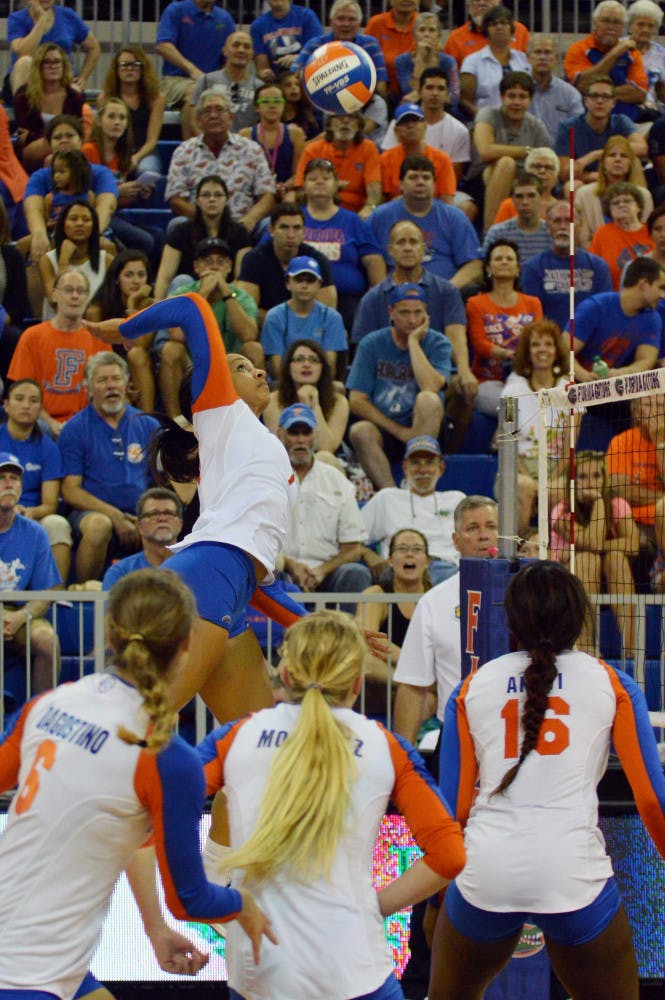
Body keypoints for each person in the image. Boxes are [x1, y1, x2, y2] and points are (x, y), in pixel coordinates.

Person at [0, 567, 276, 1000]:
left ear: (109, 635)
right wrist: (244, 905)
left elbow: (125, 828)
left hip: (34, 950)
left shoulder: (48, 704)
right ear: (187, 645)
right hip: (27, 974)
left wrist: (154, 929)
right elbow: (190, 899)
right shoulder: (166, 758)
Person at [199, 609, 466, 1000]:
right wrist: (376, 906)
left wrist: (194, 897)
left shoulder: (235, 737)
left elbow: (155, 808)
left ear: (285, 676)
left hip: (262, 969)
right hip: (354, 963)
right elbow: (450, 855)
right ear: (357, 684)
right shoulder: (385, 747)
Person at [428, 560, 665, 1000]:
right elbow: (652, 801)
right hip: (571, 869)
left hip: (486, 868)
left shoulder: (472, 686)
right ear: (578, 617)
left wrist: (435, 898)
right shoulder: (613, 682)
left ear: (512, 620)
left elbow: (453, 809)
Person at [83, 292, 302, 726]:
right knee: (139, 728)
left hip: (228, 584)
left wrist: (319, 625)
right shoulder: (221, 411)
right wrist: (123, 330)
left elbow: (255, 578)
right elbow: (192, 307)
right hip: (206, 576)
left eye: (253, 365)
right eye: (240, 367)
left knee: (256, 748)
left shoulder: (252, 448)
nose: (258, 369)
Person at [393, 495, 499, 745]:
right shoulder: (433, 602)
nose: (484, 536)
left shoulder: (527, 594)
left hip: (514, 734)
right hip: (456, 737)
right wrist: (403, 760)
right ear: (455, 540)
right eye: (472, 528)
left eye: (491, 527)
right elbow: (412, 685)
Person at [351, 219, 476, 422]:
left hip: (433, 370)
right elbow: (363, 351)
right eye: (401, 242)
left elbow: (456, 334)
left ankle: (445, 451)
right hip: (387, 376)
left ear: (423, 249)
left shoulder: (446, 291)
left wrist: (464, 370)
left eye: (413, 242)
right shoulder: (373, 298)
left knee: (464, 387)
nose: (407, 248)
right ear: (390, 250)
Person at [59, 351, 160, 583]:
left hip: (141, 512)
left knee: (167, 519)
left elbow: (163, 483)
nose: (111, 386)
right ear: (89, 388)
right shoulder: (75, 429)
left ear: (126, 384)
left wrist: (146, 514)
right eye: (102, 380)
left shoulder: (148, 424)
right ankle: (85, 597)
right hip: (92, 512)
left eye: (116, 379)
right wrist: (114, 515)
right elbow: (70, 490)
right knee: (98, 526)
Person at [346, 283, 452, 490]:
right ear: (391, 313)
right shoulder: (372, 343)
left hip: (427, 429)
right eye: (404, 312)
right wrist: (400, 432)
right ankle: (391, 493)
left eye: (417, 312)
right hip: (387, 429)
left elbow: (431, 386)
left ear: (426, 314)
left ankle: (418, 486)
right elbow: (357, 400)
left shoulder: (438, 343)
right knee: (360, 431)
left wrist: (413, 342)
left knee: (428, 399)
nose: (412, 319)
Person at [277, 402, 373, 609]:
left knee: (356, 574)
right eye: (294, 433)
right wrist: (289, 564)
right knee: (263, 570)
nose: (301, 440)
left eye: (307, 432)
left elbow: (353, 549)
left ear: (316, 435)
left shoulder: (337, 480)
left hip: (327, 575)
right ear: (280, 435)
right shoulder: (266, 478)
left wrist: (321, 570)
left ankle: (347, 640)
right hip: (281, 571)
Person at [160, 237, 261, 418]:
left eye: (220, 262)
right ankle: (177, 423)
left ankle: (250, 418)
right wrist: (203, 294)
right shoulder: (181, 294)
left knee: (254, 349)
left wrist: (227, 295)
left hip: (231, 364)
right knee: (170, 349)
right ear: (197, 267)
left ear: (229, 267)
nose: (214, 268)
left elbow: (249, 335)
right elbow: (177, 334)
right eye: (208, 262)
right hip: (192, 365)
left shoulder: (242, 297)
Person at [551, 450, 638, 659]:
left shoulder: (617, 504)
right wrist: (599, 502)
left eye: (596, 476)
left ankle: (632, 650)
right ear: (573, 481)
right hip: (566, 584)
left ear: (604, 478)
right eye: (582, 477)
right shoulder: (562, 511)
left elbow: (633, 545)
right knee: (586, 559)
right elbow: (593, 544)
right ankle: (585, 648)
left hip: (610, 579)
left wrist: (602, 546)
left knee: (616, 558)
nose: (590, 482)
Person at [7, 267, 106, 438]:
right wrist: (52, 424)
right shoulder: (32, 337)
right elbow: (23, 395)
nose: (75, 296)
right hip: (41, 422)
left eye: (81, 291)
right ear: (54, 295)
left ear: (87, 297)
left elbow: (103, 392)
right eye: (68, 290)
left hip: (86, 424)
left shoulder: (98, 338)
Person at [164, 90, 275, 236]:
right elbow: (176, 200)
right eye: (207, 111)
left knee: (269, 225)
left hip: (243, 226)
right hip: (199, 225)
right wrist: (208, 220)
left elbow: (267, 195)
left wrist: (251, 219)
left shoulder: (251, 149)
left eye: (219, 109)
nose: (213, 115)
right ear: (199, 120)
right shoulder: (183, 152)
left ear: (231, 117)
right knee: (176, 225)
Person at [361, 435, 465, 586]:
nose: (422, 470)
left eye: (429, 463)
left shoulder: (457, 499)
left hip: (446, 569)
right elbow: (352, 538)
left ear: (441, 468)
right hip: (400, 569)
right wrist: (368, 554)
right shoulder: (387, 498)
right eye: (415, 463)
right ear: (405, 467)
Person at [0, 450, 60, 702]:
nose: (9, 483)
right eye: (2, 477)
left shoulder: (35, 533)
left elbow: (46, 593)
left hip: (21, 611)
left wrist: (19, 616)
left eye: (15, 478)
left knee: (46, 640)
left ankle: (41, 717)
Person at [500, 319, 570, 535]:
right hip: (517, 466)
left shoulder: (568, 389)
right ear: (527, 351)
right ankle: (516, 551)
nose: (542, 350)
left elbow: (569, 447)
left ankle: (555, 554)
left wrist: (550, 480)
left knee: (557, 489)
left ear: (556, 350)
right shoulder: (512, 391)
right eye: (536, 344)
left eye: (548, 344)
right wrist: (531, 479)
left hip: (556, 467)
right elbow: (507, 445)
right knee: (524, 486)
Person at [300, 157, 386, 332]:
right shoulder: (293, 219)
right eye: (313, 178)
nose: (319, 182)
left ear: (336, 185)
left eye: (326, 178)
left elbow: (373, 260)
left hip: (348, 299)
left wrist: (379, 298)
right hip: (298, 296)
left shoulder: (353, 221)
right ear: (304, 186)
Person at [369, 156, 482, 286]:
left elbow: (474, 264)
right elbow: (367, 258)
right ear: (400, 184)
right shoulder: (380, 217)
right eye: (413, 177)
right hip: (395, 294)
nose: (420, 182)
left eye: (426, 177)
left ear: (434, 185)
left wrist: (449, 290)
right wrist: (384, 292)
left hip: (445, 293)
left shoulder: (454, 217)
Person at [0, 379, 72, 580]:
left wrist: (29, 512)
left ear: (40, 408)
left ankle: (56, 598)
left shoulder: (48, 448)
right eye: (19, 399)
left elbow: (50, 504)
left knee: (57, 524)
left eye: (33, 401)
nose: (26, 405)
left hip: (32, 514)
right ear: (6, 405)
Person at [23, 114, 118, 264]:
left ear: (81, 140)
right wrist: (39, 233)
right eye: (57, 137)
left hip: (92, 228)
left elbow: (107, 206)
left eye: (70, 135)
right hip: (53, 231)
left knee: (110, 246)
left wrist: (89, 234)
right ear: (49, 143)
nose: (64, 140)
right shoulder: (40, 176)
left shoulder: (100, 173)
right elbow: (32, 208)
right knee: (25, 246)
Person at [81, 97, 164, 269]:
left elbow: (118, 202)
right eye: (111, 117)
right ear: (99, 120)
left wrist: (138, 193)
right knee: (145, 240)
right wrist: (119, 191)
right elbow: (85, 197)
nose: (117, 122)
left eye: (122, 118)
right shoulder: (88, 151)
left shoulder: (122, 154)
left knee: (159, 236)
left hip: (116, 215)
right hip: (95, 216)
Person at [466, 239, 543, 418]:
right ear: (488, 268)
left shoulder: (533, 303)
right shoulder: (475, 303)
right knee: (515, 407)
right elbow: (479, 343)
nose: (504, 262)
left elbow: (538, 340)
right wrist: (507, 354)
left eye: (509, 258)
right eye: (498, 258)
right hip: (488, 381)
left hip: (527, 378)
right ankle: (506, 445)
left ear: (518, 269)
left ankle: (500, 440)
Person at [471, 71, 552, 232]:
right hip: (483, 179)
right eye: (511, 96)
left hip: (524, 181)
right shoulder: (489, 115)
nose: (516, 102)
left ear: (530, 100)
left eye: (522, 97)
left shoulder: (536, 126)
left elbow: (544, 158)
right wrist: (527, 150)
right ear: (502, 97)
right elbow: (485, 150)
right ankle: (490, 234)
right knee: (506, 163)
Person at [565, 256, 664, 383]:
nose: (662, 295)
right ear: (644, 284)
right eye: (661, 288)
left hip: (618, 391)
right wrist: (584, 376)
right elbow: (564, 350)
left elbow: (646, 360)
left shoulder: (652, 318)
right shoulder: (595, 307)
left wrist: (621, 373)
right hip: (578, 386)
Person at [154, 174, 252, 301]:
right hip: (191, 293)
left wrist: (224, 288)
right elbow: (164, 277)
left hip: (225, 293)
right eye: (206, 195)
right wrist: (156, 306)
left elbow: (241, 279)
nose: (212, 199)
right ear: (198, 201)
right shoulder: (181, 231)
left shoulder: (240, 233)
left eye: (218, 195)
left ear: (226, 200)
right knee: (182, 280)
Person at [236, 204, 336, 325]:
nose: (291, 234)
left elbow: (327, 311)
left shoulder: (317, 260)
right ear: (271, 230)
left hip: (309, 330)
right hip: (267, 329)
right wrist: (287, 322)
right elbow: (248, 311)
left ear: (304, 231)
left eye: (296, 228)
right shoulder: (254, 259)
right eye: (284, 227)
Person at [521, 201, 613, 332]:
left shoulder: (598, 266)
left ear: (579, 225)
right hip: (550, 343)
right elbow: (532, 317)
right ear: (548, 227)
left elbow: (605, 311)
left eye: (569, 220)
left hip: (590, 340)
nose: (563, 227)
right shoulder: (532, 268)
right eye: (557, 221)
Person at [356, 528, 431, 687]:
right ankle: (411, 685)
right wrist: (411, 664)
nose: (409, 554)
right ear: (390, 560)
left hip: (426, 678)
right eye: (402, 549)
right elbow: (369, 638)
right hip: (385, 680)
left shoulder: (437, 598)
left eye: (417, 549)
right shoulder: (376, 594)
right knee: (363, 659)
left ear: (427, 561)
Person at [86, 248, 156, 413]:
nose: (136, 281)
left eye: (141, 275)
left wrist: (133, 306)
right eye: (129, 275)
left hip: (143, 369)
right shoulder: (96, 311)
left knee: (136, 354)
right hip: (108, 370)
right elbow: (95, 354)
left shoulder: (150, 306)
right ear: (117, 279)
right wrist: (122, 379)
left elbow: (140, 344)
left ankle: (149, 421)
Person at [607, 394, 665, 589]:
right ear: (638, 413)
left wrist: (659, 443)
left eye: (660, 404)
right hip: (635, 523)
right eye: (649, 404)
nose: (656, 410)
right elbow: (621, 491)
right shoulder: (621, 442)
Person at [155, 0, 236, 138]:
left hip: (213, 83)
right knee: (195, 91)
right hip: (175, 80)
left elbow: (228, 57)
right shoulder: (176, 10)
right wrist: (192, 70)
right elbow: (163, 45)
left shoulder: (225, 19)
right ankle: (192, 151)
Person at [555, 75, 647, 190]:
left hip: (616, 179)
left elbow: (642, 148)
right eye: (594, 96)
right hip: (586, 182)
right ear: (586, 101)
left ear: (613, 102)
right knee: (572, 185)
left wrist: (595, 154)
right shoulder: (568, 127)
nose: (600, 101)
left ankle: (642, 207)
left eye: (605, 97)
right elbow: (565, 172)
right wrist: (600, 177)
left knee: (636, 163)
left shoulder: (620, 122)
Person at [261, 256, 347, 379]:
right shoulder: (275, 316)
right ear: (288, 283)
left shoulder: (332, 317)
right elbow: (276, 367)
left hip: (320, 383)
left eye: (310, 280)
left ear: (319, 284)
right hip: (283, 385)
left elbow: (329, 366)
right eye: (299, 280)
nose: (304, 285)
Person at [563, 0, 648, 121]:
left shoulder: (632, 53)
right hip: (585, 122)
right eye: (606, 21)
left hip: (627, 122)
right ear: (595, 22)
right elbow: (582, 86)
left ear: (623, 27)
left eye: (617, 22)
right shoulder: (578, 49)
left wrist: (597, 92)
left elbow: (639, 94)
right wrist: (614, 54)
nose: (611, 27)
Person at [13, 42, 90, 173]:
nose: (53, 66)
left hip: (65, 146)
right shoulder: (24, 95)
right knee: (59, 144)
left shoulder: (74, 97)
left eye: (57, 62)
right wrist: (56, 136)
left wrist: (34, 136)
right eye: (47, 62)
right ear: (39, 66)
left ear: (63, 66)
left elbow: (75, 130)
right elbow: (22, 136)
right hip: (31, 152)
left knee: (53, 156)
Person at [262, 339, 349, 454]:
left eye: (314, 360)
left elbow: (326, 448)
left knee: (325, 457)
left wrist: (315, 406)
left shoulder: (339, 401)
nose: (306, 365)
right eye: (299, 359)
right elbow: (281, 446)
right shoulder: (273, 400)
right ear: (288, 367)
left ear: (322, 368)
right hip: (287, 461)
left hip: (323, 464)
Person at [293, 0, 390, 101]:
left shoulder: (370, 44)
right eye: (340, 18)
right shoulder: (315, 44)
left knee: (379, 103)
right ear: (331, 21)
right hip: (321, 101)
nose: (346, 24)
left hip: (362, 101)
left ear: (359, 23)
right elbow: (294, 74)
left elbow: (381, 84)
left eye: (351, 19)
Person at [292, 110, 382, 218]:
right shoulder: (313, 150)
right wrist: (333, 186)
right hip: (318, 211)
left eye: (352, 117)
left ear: (359, 126)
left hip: (357, 213)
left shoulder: (369, 148)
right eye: (339, 116)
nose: (345, 120)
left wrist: (369, 208)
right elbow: (300, 191)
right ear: (329, 125)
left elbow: (374, 188)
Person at [573, 136, 652, 251]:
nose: (617, 159)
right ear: (603, 163)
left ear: (631, 164)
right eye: (612, 155)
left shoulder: (644, 195)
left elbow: (646, 236)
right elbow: (583, 239)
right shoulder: (584, 194)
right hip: (596, 256)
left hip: (635, 257)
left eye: (624, 156)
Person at [8, 0, 100, 96]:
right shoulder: (17, 18)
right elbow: (23, 51)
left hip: (60, 77)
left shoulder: (68, 15)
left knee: (74, 89)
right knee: (25, 61)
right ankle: (25, 107)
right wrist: (41, 21)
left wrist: (83, 77)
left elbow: (94, 48)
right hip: (28, 79)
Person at [99, 45, 166, 175]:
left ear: (143, 68)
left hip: (145, 152)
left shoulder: (156, 98)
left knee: (146, 171)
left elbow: (152, 141)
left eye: (135, 64)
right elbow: (103, 136)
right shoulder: (105, 98)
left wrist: (136, 158)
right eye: (124, 64)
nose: (129, 69)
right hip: (115, 152)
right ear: (116, 69)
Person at [39, 200, 113, 318]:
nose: (79, 223)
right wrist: (64, 260)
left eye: (86, 219)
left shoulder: (107, 260)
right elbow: (56, 303)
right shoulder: (47, 260)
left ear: (94, 226)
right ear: (63, 224)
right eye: (73, 218)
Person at [102, 487, 184, 590]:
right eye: (153, 514)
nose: (162, 518)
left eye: (169, 513)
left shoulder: (195, 567)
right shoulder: (120, 573)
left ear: (180, 524)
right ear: (139, 526)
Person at [459, 6, 531, 120]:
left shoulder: (523, 59)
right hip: (486, 123)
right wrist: (485, 118)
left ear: (511, 28)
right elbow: (464, 101)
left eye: (504, 23)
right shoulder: (472, 61)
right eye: (493, 24)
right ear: (486, 29)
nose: (499, 27)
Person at [379, 103, 457, 206]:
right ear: (396, 131)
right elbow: (382, 200)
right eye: (404, 122)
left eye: (415, 121)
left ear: (425, 126)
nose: (410, 125)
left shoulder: (442, 159)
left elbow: (447, 201)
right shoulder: (385, 159)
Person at [238, 83, 305, 202]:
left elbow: (298, 173)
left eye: (277, 101)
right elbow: (242, 173)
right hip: (255, 192)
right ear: (256, 107)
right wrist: (265, 188)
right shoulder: (245, 135)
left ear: (284, 105)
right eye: (266, 101)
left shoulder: (295, 133)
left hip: (286, 191)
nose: (272, 106)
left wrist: (284, 186)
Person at [192, 30, 261, 133]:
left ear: (252, 54)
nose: (241, 50)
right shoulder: (206, 81)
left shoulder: (260, 87)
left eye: (246, 47)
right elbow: (194, 119)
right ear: (225, 51)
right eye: (236, 45)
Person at [589, 181, 654, 289]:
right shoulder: (602, 233)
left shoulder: (651, 231)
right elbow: (593, 268)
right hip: (613, 296)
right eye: (615, 203)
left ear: (639, 206)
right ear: (609, 210)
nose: (621, 205)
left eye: (627, 201)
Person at [482, 172, 552, 264]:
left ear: (541, 198)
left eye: (531, 196)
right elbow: (484, 266)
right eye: (519, 196)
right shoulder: (497, 233)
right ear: (513, 200)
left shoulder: (551, 233)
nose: (525, 202)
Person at [527, 34, 584, 145]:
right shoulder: (517, 90)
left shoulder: (570, 94)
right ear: (528, 57)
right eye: (538, 52)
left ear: (556, 59)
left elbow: (578, 131)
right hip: (522, 153)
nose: (542, 57)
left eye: (547, 52)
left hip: (559, 155)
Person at [394, 12, 459, 105]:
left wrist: (420, 95)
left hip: (444, 109)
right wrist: (420, 60)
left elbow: (454, 97)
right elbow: (408, 91)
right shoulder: (402, 61)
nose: (426, 34)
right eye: (422, 30)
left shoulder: (448, 61)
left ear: (438, 36)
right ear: (414, 36)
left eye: (432, 30)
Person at [443, 0, 530, 70]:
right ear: (468, 6)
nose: (482, 3)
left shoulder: (519, 31)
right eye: (476, 0)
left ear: (499, 2)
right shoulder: (456, 38)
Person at [251, 0, 322, 81]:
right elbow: (262, 68)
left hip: (307, 78)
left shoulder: (307, 16)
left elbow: (318, 52)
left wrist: (298, 59)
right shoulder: (258, 25)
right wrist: (266, 74)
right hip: (276, 83)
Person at [0, 200, 30, 381]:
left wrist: (2, 320)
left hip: (3, 326)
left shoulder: (11, 256)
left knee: (14, 337)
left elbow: (18, 306)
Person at [366, 0, 419, 98]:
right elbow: (365, 63)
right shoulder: (376, 24)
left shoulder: (425, 26)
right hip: (380, 94)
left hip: (417, 94)